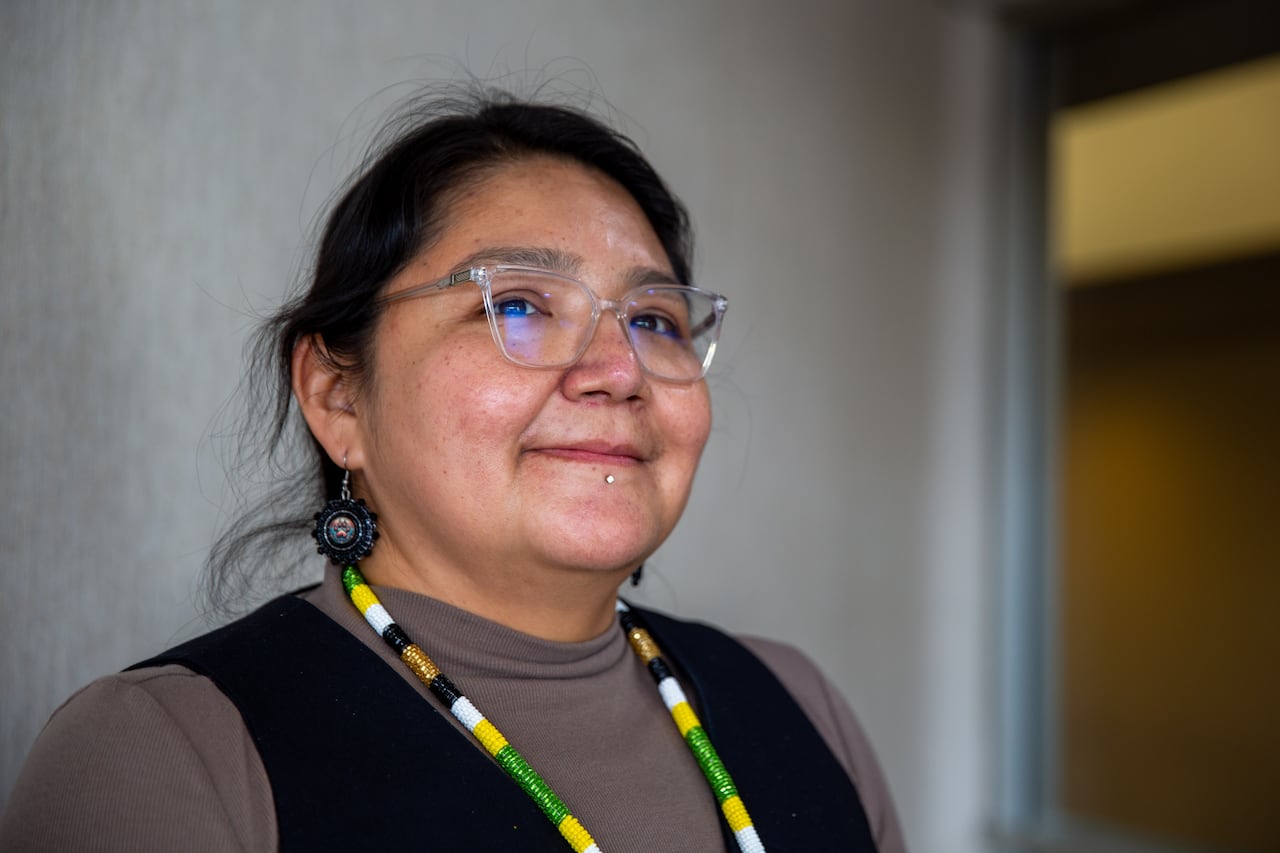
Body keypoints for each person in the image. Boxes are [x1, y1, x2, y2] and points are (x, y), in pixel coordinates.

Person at [0, 88, 906, 852]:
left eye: (656, 320)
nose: (620, 370)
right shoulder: (163, 753)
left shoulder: (797, 704)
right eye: (518, 304)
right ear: (338, 397)